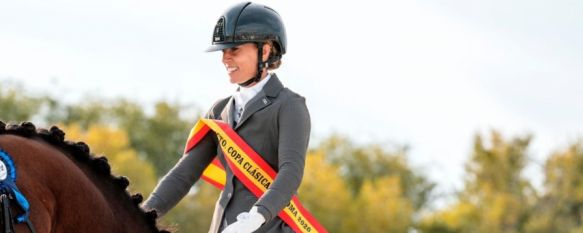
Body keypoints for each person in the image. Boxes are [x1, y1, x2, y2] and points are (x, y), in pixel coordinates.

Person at [143, 2, 311, 233]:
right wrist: (141, 214)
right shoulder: (219, 111)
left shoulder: (289, 105)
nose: (225, 58)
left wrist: (254, 218)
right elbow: (184, 174)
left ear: (265, 50)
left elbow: (291, 172)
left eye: (235, 50)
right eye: (224, 51)